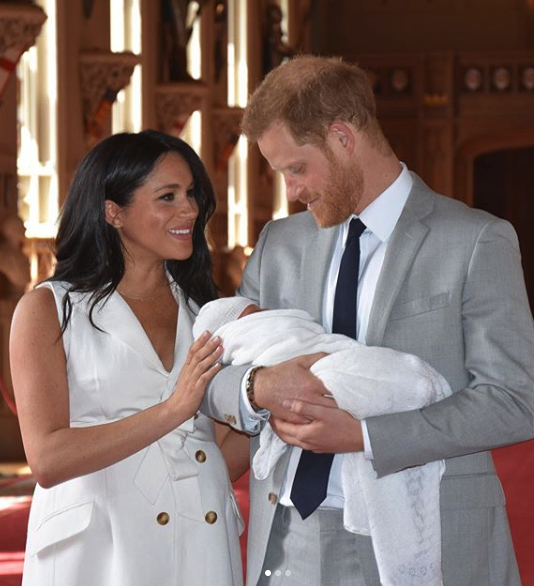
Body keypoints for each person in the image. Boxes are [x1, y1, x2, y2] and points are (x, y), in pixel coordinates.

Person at [200, 55, 534, 586]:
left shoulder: (475, 241)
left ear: (342, 137)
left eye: (295, 167)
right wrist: (258, 386)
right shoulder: (278, 245)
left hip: (430, 534)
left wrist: (367, 436)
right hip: (291, 535)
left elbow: (515, 400)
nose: (290, 190)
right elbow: (213, 374)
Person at [9, 130, 245, 586]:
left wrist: (267, 411)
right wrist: (172, 410)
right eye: (168, 196)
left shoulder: (206, 313)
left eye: (192, 194)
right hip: (99, 557)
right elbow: (47, 459)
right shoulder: (49, 310)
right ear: (113, 211)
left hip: (201, 548)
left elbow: (210, 450)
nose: (191, 210)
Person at [194, 296, 451, 585]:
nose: (263, 312)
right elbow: (211, 382)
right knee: (337, 380)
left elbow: (509, 397)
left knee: (360, 376)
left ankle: (410, 384)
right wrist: (259, 386)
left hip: (372, 518)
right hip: (285, 527)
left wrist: (364, 436)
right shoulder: (270, 259)